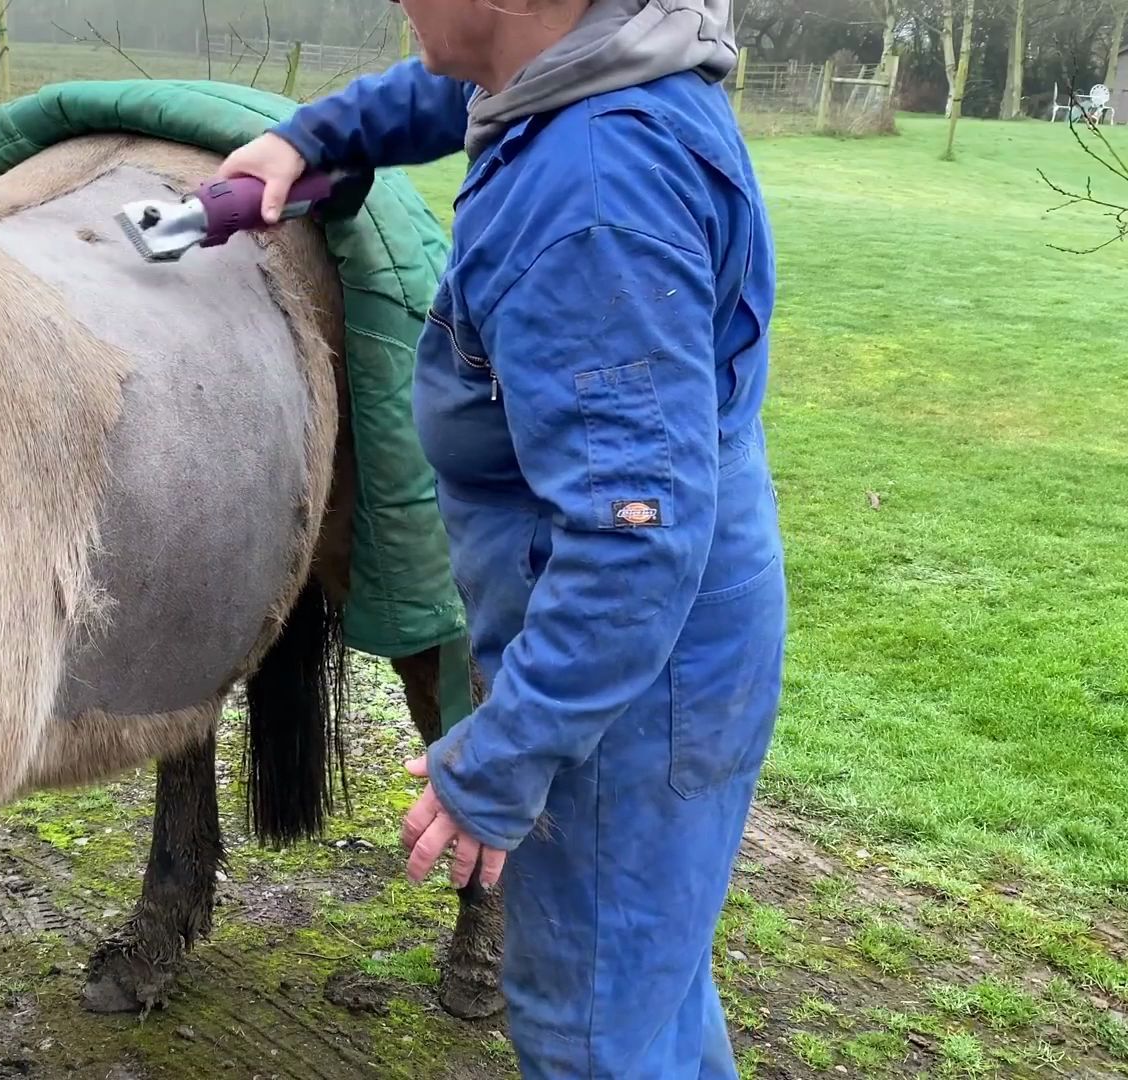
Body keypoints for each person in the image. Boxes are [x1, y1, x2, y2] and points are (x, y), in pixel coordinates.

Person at [218, 0, 786, 1076]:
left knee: (594, 1032)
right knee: (648, 986)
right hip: (677, 645)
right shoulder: (599, 65)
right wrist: (310, 136)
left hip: (625, 682)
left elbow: (633, 542)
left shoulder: (594, 196)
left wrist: (502, 755)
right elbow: (455, 80)